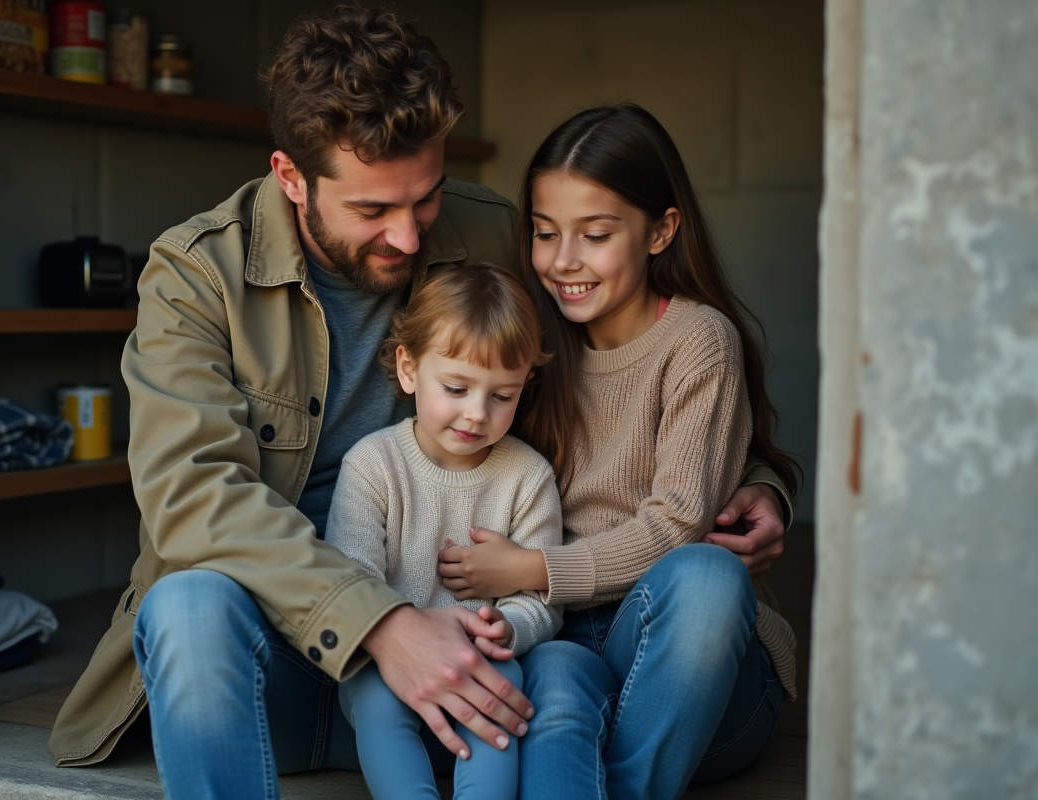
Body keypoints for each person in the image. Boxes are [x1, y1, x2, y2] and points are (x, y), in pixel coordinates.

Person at [48, 8, 793, 797]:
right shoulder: (196, 276)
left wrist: (757, 484)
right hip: (315, 659)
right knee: (187, 602)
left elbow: (630, 366)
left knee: (617, 649)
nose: (407, 236)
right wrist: (383, 626)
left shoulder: (494, 231)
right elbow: (193, 499)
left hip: (487, 653)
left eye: (425, 197)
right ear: (290, 177)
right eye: (372, 210)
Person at [437, 103, 800, 800]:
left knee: (705, 578)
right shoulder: (531, 341)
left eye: (595, 234)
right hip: (567, 645)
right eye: (545, 234)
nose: (563, 260)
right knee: (559, 676)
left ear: (661, 230)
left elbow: (678, 523)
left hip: (695, 668)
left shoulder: (698, 341)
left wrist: (534, 568)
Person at [328, 264, 562, 800]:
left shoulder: (528, 477)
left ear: (526, 382)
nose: (477, 413)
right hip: (384, 668)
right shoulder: (374, 465)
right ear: (409, 370)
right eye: (456, 388)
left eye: (502, 396)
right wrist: (408, 628)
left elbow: (542, 602)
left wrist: (504, 627)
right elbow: (351, 579)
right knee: (373, 695)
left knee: (505, 691)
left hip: (482, 662)